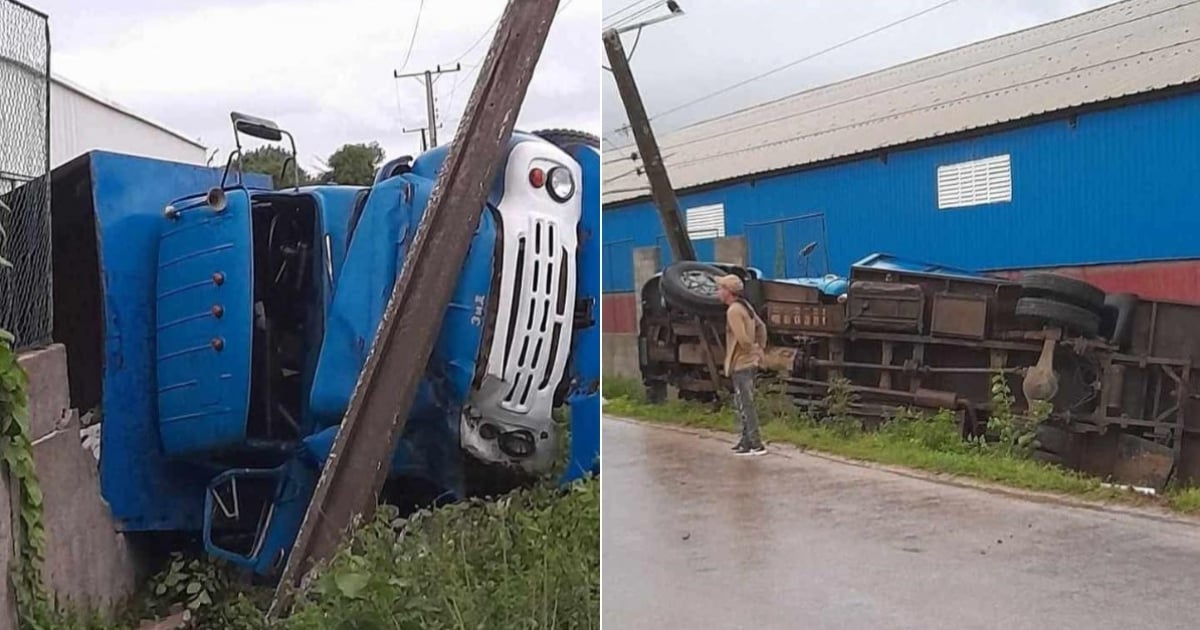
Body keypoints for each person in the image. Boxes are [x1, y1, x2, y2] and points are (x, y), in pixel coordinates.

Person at [716, 274, 767, 455]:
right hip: (748, 362)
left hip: (741, 363)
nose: (718, 292)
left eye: (720, 289)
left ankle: (756, 443)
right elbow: (761, 327)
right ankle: (745, 441)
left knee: (745, 404)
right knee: (743, 402)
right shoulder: (745, 307)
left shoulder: (733, 311)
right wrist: (760, 347)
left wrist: (751, 347)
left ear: (729, 292)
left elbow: (742, 338)